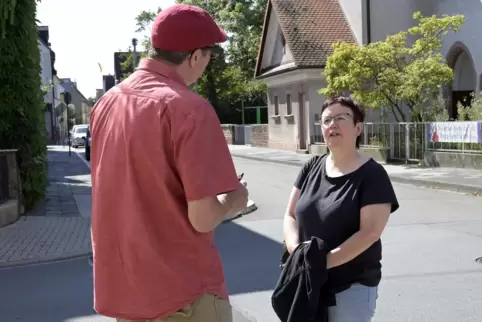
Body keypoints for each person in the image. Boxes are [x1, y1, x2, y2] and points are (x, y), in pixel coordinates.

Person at [89, 4, 249, 322]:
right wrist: (234, 201)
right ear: (194, 56)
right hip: (184, 297)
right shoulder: (189, 109)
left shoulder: (105, 104)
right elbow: (203, 218)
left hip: (128, 295)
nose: (208, 63)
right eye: (210, 55)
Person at [282, 95, 399, 322]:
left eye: (341, 118)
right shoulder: (311, 166)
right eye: (326, 120)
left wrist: (321, 262)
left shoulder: (372, 175)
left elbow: (370, 233)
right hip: (307, 282)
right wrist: (298, 253)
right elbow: (289, 215)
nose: (332, 124)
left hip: (350, 287)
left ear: (358, 128)